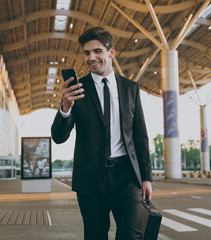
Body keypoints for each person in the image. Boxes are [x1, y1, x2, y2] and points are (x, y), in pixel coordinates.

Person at [51, 27, 153, 240]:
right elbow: (59, 137)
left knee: (132, 236)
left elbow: (140, 136)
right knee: (95, 235)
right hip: (91, 178)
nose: (91, 57)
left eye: (97, 51)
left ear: (111, 52)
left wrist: (146, 178)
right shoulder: (78, 90)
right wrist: (66, 106)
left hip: (126, 175)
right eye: (87, 53)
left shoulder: (130, 88)